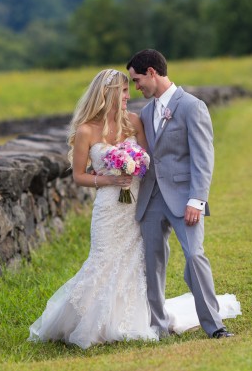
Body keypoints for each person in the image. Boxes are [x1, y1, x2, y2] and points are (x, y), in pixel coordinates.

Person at [27, 68, 157, 349]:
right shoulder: (87, 130)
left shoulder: (134, 122)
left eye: (128, 90)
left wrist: (134, 167)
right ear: (107, 93)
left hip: (135, 203)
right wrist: (110, 179)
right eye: (122, 91)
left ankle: (127, 320)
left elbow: (146, 161)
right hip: (109, 207)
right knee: (102, 259)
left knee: (133, 261)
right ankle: (87, 322)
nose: (127, 96)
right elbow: (79, 175)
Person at [126, 49, 235, 339]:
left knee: (195, 257)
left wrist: (196, 200)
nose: (136, 87)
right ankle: (157, 328)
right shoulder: (146, 113)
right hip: (151, 199)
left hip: (185, 198)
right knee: (152, 263)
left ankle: (215, 326)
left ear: (151, 72)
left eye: (137, 80)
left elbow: (203, 156)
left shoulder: (191, 106)